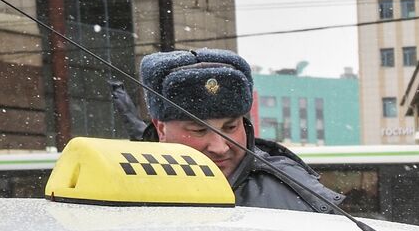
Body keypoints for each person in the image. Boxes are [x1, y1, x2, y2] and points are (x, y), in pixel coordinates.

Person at [137, 48, 343, 213]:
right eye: (199, 130)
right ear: (161, 129)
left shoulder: (297, 197)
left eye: (231, 127)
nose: (219, 147)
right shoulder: (129, 187)